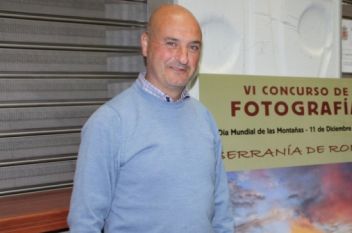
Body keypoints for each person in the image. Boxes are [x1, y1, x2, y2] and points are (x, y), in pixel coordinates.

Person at [67, 4, 234, 233]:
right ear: (145, 44)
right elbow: (85, 222)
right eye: (171, 43)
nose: (183, 58)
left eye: (193, 47)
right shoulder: (110, 122)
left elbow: (221, 210)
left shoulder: (204, 118)